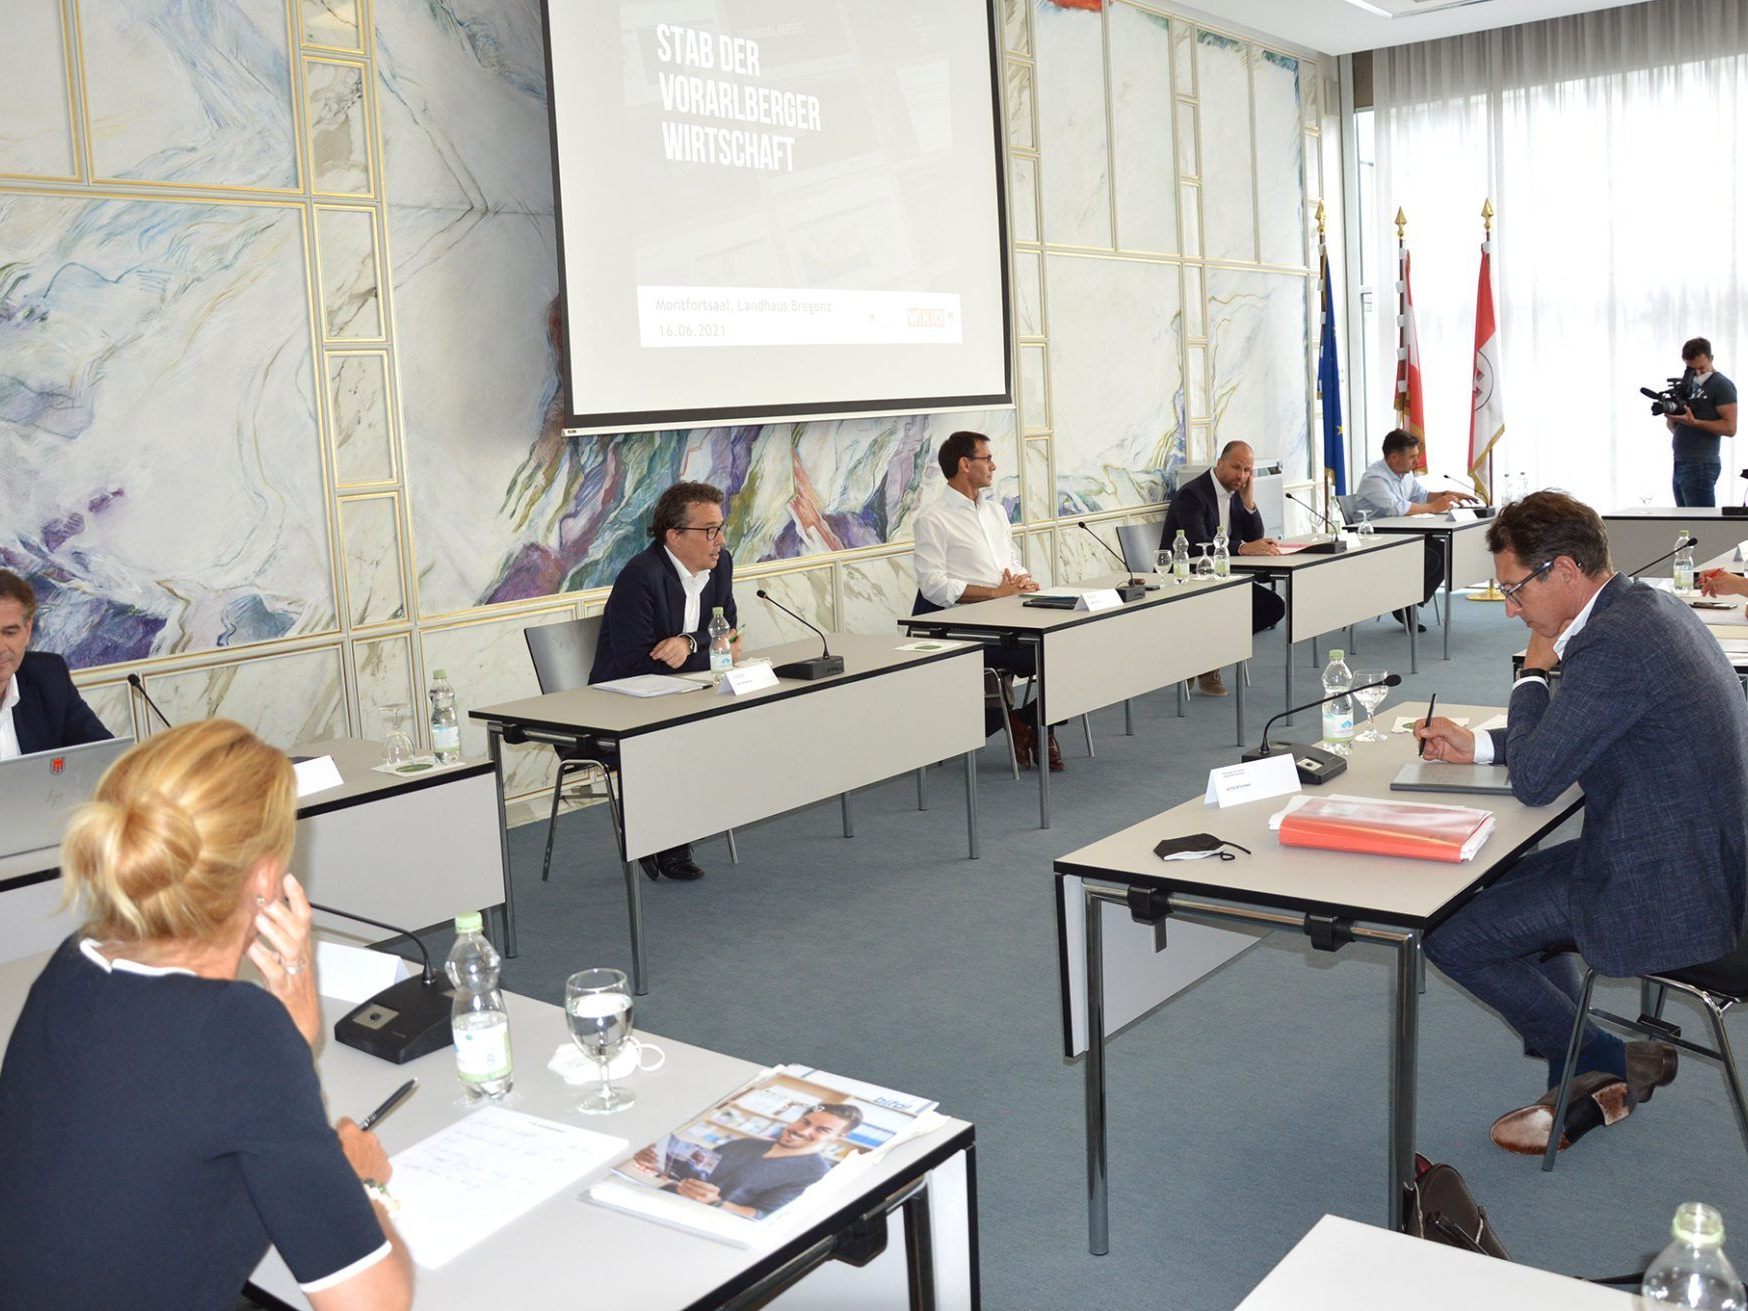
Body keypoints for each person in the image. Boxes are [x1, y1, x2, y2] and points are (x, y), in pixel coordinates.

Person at [0, 720, 413, 1309]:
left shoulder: (75, 964)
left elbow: (209, 1105)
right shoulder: (237, 1031)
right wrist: (363, 1182)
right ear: (265, 877)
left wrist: (293, 1024)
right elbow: (373, 1304)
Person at [1414, 492, 1748, 1155]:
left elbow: (1538, 781)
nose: (1511, 610)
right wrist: (1479, 746)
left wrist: (1534, 670)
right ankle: (1577, 1072)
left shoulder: (1612, 643)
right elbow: (1589, 730)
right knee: (1482, 895)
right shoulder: (1647, 608)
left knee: (1450, 936)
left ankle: (1603, 1058)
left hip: (1671, 890)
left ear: (1563, 569)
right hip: (1689, 854)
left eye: (1515, 590)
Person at [590, 481, 739, 880]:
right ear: (675, 535)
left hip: (684, 689)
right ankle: (663, 840)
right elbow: (636, 662)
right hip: (621, 702)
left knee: (726, 727)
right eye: (709, 530)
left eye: (720, 528)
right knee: (682, 737)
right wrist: (710, 650)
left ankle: (671, 834)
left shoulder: (721, 564)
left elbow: (728, 628)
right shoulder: (641, 576)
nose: (720, 540)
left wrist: (689, 643)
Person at [913, 430, 1065, 772]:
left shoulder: (995, 512)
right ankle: (1035, 730)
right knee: (1051, 655)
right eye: (987, 459)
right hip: (966, 629)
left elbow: (1010, 562)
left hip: (1009, 618)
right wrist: (994, 593)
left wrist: (1022, 580)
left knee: (1068, 648)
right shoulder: (932, 519)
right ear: (965, 464)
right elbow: (932, 585)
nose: (994, 466)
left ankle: (1026, 722)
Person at [1159, 441, 1285, 695]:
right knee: (1220, 608)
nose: (1242, 476)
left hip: (1223, 578)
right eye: (1237, 467)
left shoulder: (1237, 492)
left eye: (1247, 470)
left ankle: (1208, 653)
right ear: (1219, 463)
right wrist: (1243, 548)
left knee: (1273, 607)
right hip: (1186, 577)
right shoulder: (1192, 495)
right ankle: (1207, 659)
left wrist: (1248, 502)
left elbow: (1254, 537)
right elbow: (1198, 545)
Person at [642, 1102, 863, 1218]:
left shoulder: (815, 1175)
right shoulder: (746, 1143)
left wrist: (715, 1203)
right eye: (804, 1122)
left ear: (839, 1137)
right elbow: (690, 1173)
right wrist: (656, 1162)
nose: (803, 1131)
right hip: (661, 1201)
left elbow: (764, 1216)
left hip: (705, 1223)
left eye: (822, 1130)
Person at [1352, 429, 1477, 632]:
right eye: (1412, 457)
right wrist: (1434, 507)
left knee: (1446, 553)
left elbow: (1422, 495)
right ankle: (1402, 602)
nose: (1417, 461)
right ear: (1394, 457)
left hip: (1403, 535)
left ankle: (1408, 602)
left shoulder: (1405, 474)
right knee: (1430, 558)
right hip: (1376, 540)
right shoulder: (1374, 478)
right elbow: (1397, 508)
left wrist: (1447, 494)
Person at [0, 569, 112, 759]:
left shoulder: (49, 677)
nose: (1, 647)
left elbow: (104, 754)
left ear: (27, 631)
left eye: (10, 633)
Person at [1663, 337, 1738, 507]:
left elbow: (1730, 428)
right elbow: (1678, 428)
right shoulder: (1688, 386)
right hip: (1680, 461)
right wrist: (1672, 416)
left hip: (1701, 464)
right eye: (1691, 368)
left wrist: (1695, 423)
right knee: (1684, 520)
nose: (1697, 373)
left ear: (1711, 358)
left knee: (1700, 520)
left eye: (1701, 367)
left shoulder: (1722, 385)